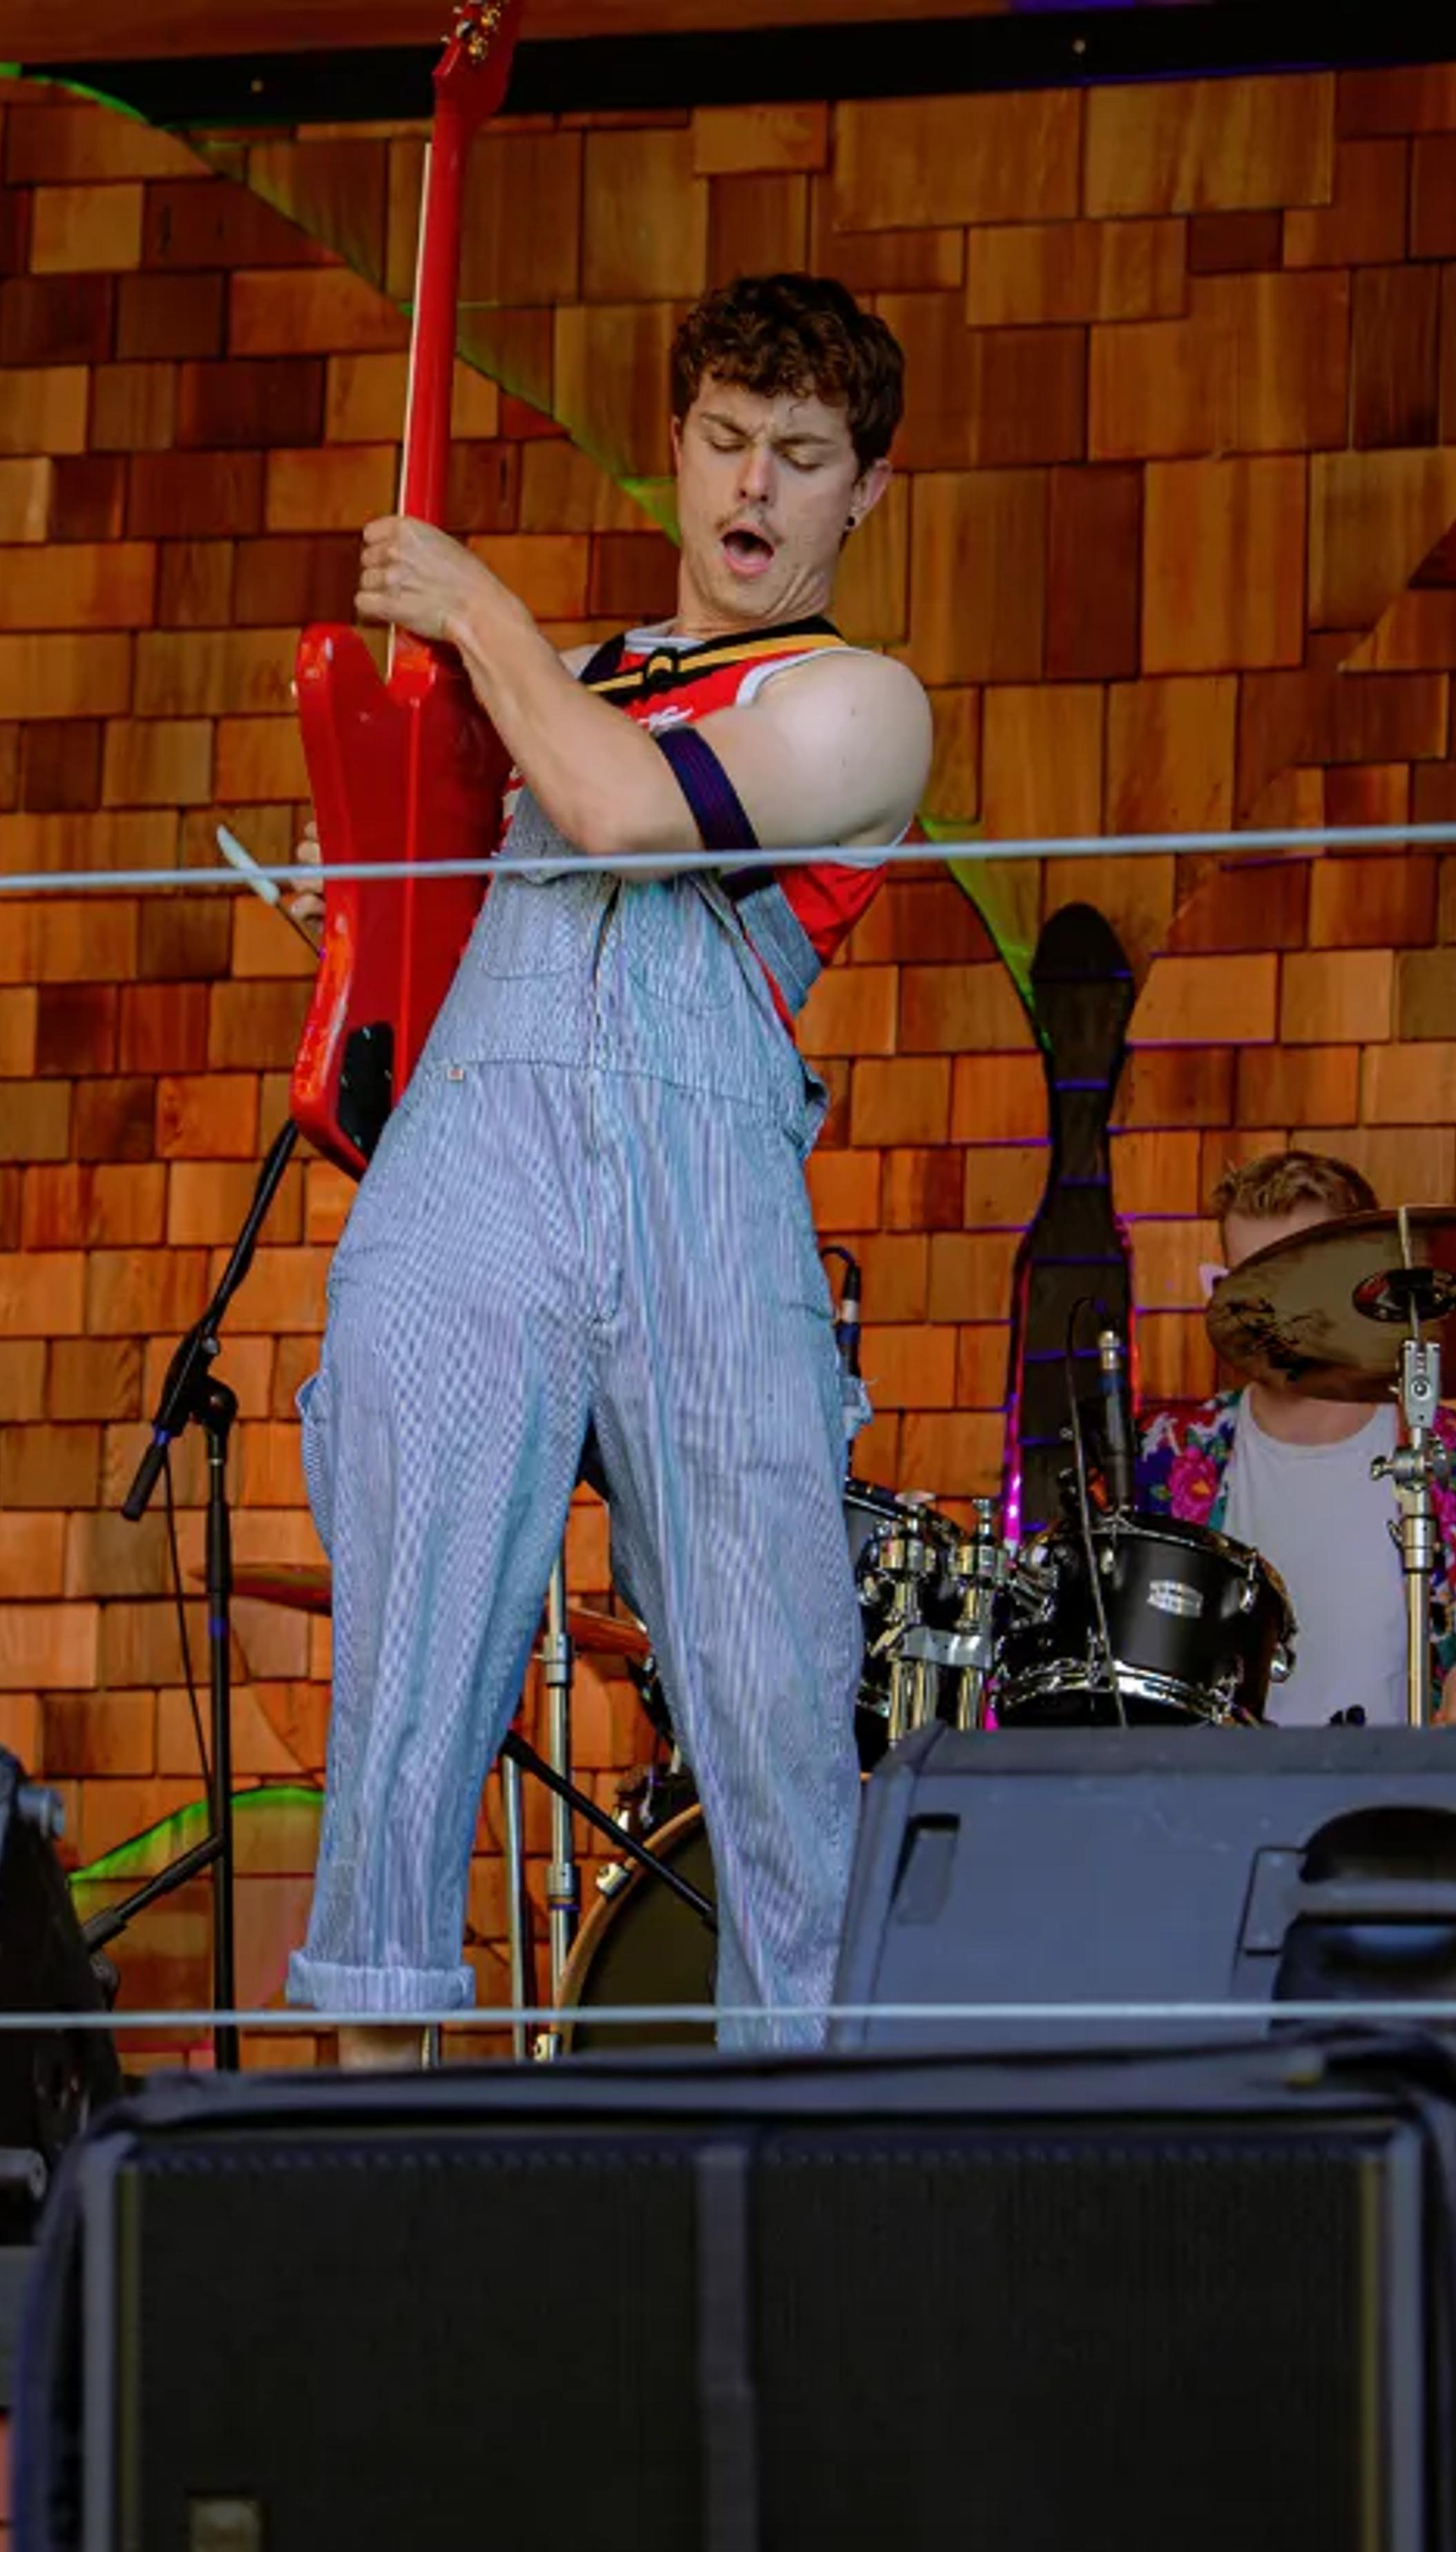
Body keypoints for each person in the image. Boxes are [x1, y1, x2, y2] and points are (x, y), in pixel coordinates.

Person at [282, 274, 932, 2060]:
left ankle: (800, 2130)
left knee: (772, 1673)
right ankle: (368, 2108)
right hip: (474, 1149)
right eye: (726, 439)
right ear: (677, 442)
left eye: (803, 458)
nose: (755, 486)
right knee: (404, 1671)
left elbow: (628, 813)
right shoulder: (558, 675)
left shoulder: (862, 700)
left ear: (862, 493)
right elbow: (407, 886)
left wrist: (475, 610)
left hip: (697, 1162)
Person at [1134, 1150, 1456, 1726]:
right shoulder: (1162, 1457)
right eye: (1241, 1287)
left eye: (1293, 1288)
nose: (1266, 1319)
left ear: (1362, 1286)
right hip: (1210, 1807)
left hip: (1408, 1807)